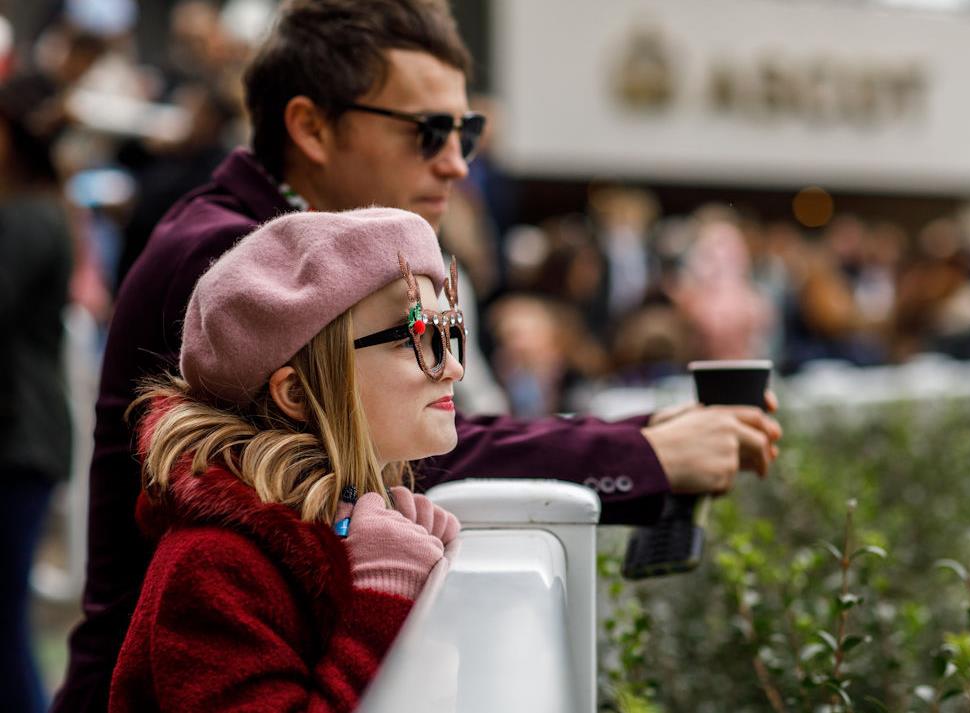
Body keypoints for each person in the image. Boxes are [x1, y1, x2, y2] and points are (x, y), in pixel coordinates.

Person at [54, 2, 782, 710]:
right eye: (428, 131)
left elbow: (410, 432)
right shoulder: (246, 272)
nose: (458, 163)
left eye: (467, 130)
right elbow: (401, 448)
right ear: (310, 126)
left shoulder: (284, 255)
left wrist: (644, 440)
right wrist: (647, 452)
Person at [108, 207, 463, 711]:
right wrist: (384, 599)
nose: (451, 366)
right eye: (418, 336)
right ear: (296, 391)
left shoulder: (336, 526)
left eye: (449, 331)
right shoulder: (213, 564)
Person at [0, 77, 75, 713]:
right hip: (23, 439)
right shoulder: (38, 210)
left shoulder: (27, 216)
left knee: (2, 627)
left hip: (18, 442)